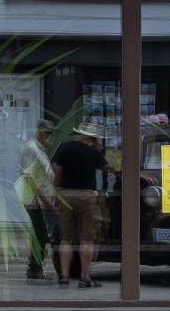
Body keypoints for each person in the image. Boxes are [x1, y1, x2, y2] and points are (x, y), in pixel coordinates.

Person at [52, 122, 110, 289]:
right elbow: (108, 168)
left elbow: (58, 173)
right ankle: (85, 277)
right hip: (87, 195)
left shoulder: (64, 148)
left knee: (66, 239)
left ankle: (64, 275)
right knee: (87, 239)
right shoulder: (93, 152)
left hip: (66, 195)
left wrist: (57, 191)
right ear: (92, 138)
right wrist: (97, 148)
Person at [18, 120, 58, 280]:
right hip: (35, 200)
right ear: (40, 131)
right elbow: (30, 178)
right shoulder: (31, 149)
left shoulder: (40, 149)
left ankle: (35, 265)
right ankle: (34, 267)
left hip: (42, 199)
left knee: (40, 233)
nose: (49, 136)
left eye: (50, 133)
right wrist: (45, 200)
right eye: (47, 132)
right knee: (40, 234)